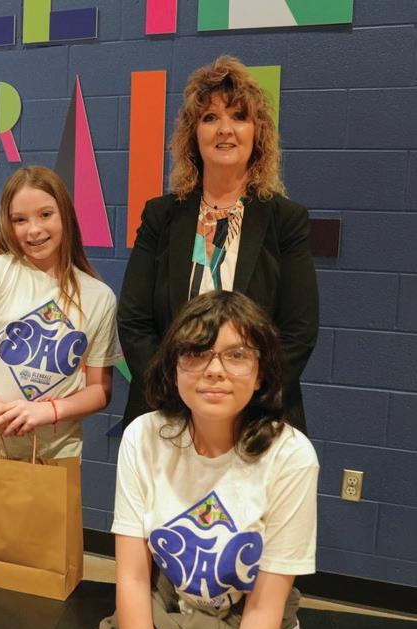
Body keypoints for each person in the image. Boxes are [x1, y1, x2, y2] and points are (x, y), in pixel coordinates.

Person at [98, 290, 319, 629]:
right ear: (173, 367)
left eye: (237, 355)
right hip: (170, 611)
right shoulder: (143, 437)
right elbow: (133, 579)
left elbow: (264, 609)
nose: (215, 370)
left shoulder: (291, 456)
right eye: (196, 353)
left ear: (260, 373)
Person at [118, 55, 318, 432]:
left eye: (239, 117)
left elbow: (298, 332)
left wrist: (239, 400)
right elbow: (134, 321)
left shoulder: (286, 220)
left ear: (257, 133)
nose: (225, 129)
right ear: (193, 134)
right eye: (210, 118)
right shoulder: (161, 215)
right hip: (167, 413)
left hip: (256, 418)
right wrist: (179, 394)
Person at [0, 165, 120, 494]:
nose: (34, 230)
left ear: (65, 215)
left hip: (55, 455)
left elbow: (100, 390)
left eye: (45, 214)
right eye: (20, 220)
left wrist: (47, 411)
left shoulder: (99, 297)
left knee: (51, 530)